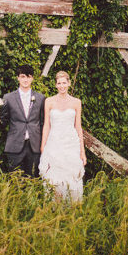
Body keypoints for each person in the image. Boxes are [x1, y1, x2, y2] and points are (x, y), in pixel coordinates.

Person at [38, 70, 86, 201]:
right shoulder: (49, 101)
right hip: (54, 144)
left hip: (71, 144)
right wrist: (43, 147)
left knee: (71, 175)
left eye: (64, 83)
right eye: (59, 83)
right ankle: (55, 207)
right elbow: (46, 125)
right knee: (54, 176)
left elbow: (78, 127)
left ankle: (72, 208)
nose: (62, 86)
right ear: (55, 85)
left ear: (69, 83)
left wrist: (82, 152)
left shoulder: (76, 102)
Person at [0, 65, 46, 176]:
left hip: (34, 146)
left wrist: (43, 144)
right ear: (18, 78)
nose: (25, 80)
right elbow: (4, 123)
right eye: (23, 76)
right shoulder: (8, 98)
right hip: (15, 145)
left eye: (28, 77)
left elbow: (43, 123)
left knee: (33, 179)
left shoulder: (40, 98)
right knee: (15, 180)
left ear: (32, 78)